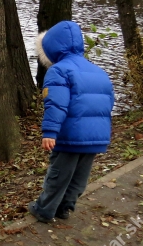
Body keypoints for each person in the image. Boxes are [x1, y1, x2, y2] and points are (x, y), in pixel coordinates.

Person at [28, 20, 114, 223]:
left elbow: (56, 104)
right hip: (96, 137)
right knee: (79, 177)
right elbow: (108, 102)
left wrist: (49, 131)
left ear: (51, 49)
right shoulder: (98, 71)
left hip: (70, 135)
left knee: (59, 174)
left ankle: (45, 210)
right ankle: (65, 207)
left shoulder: (58, 71)